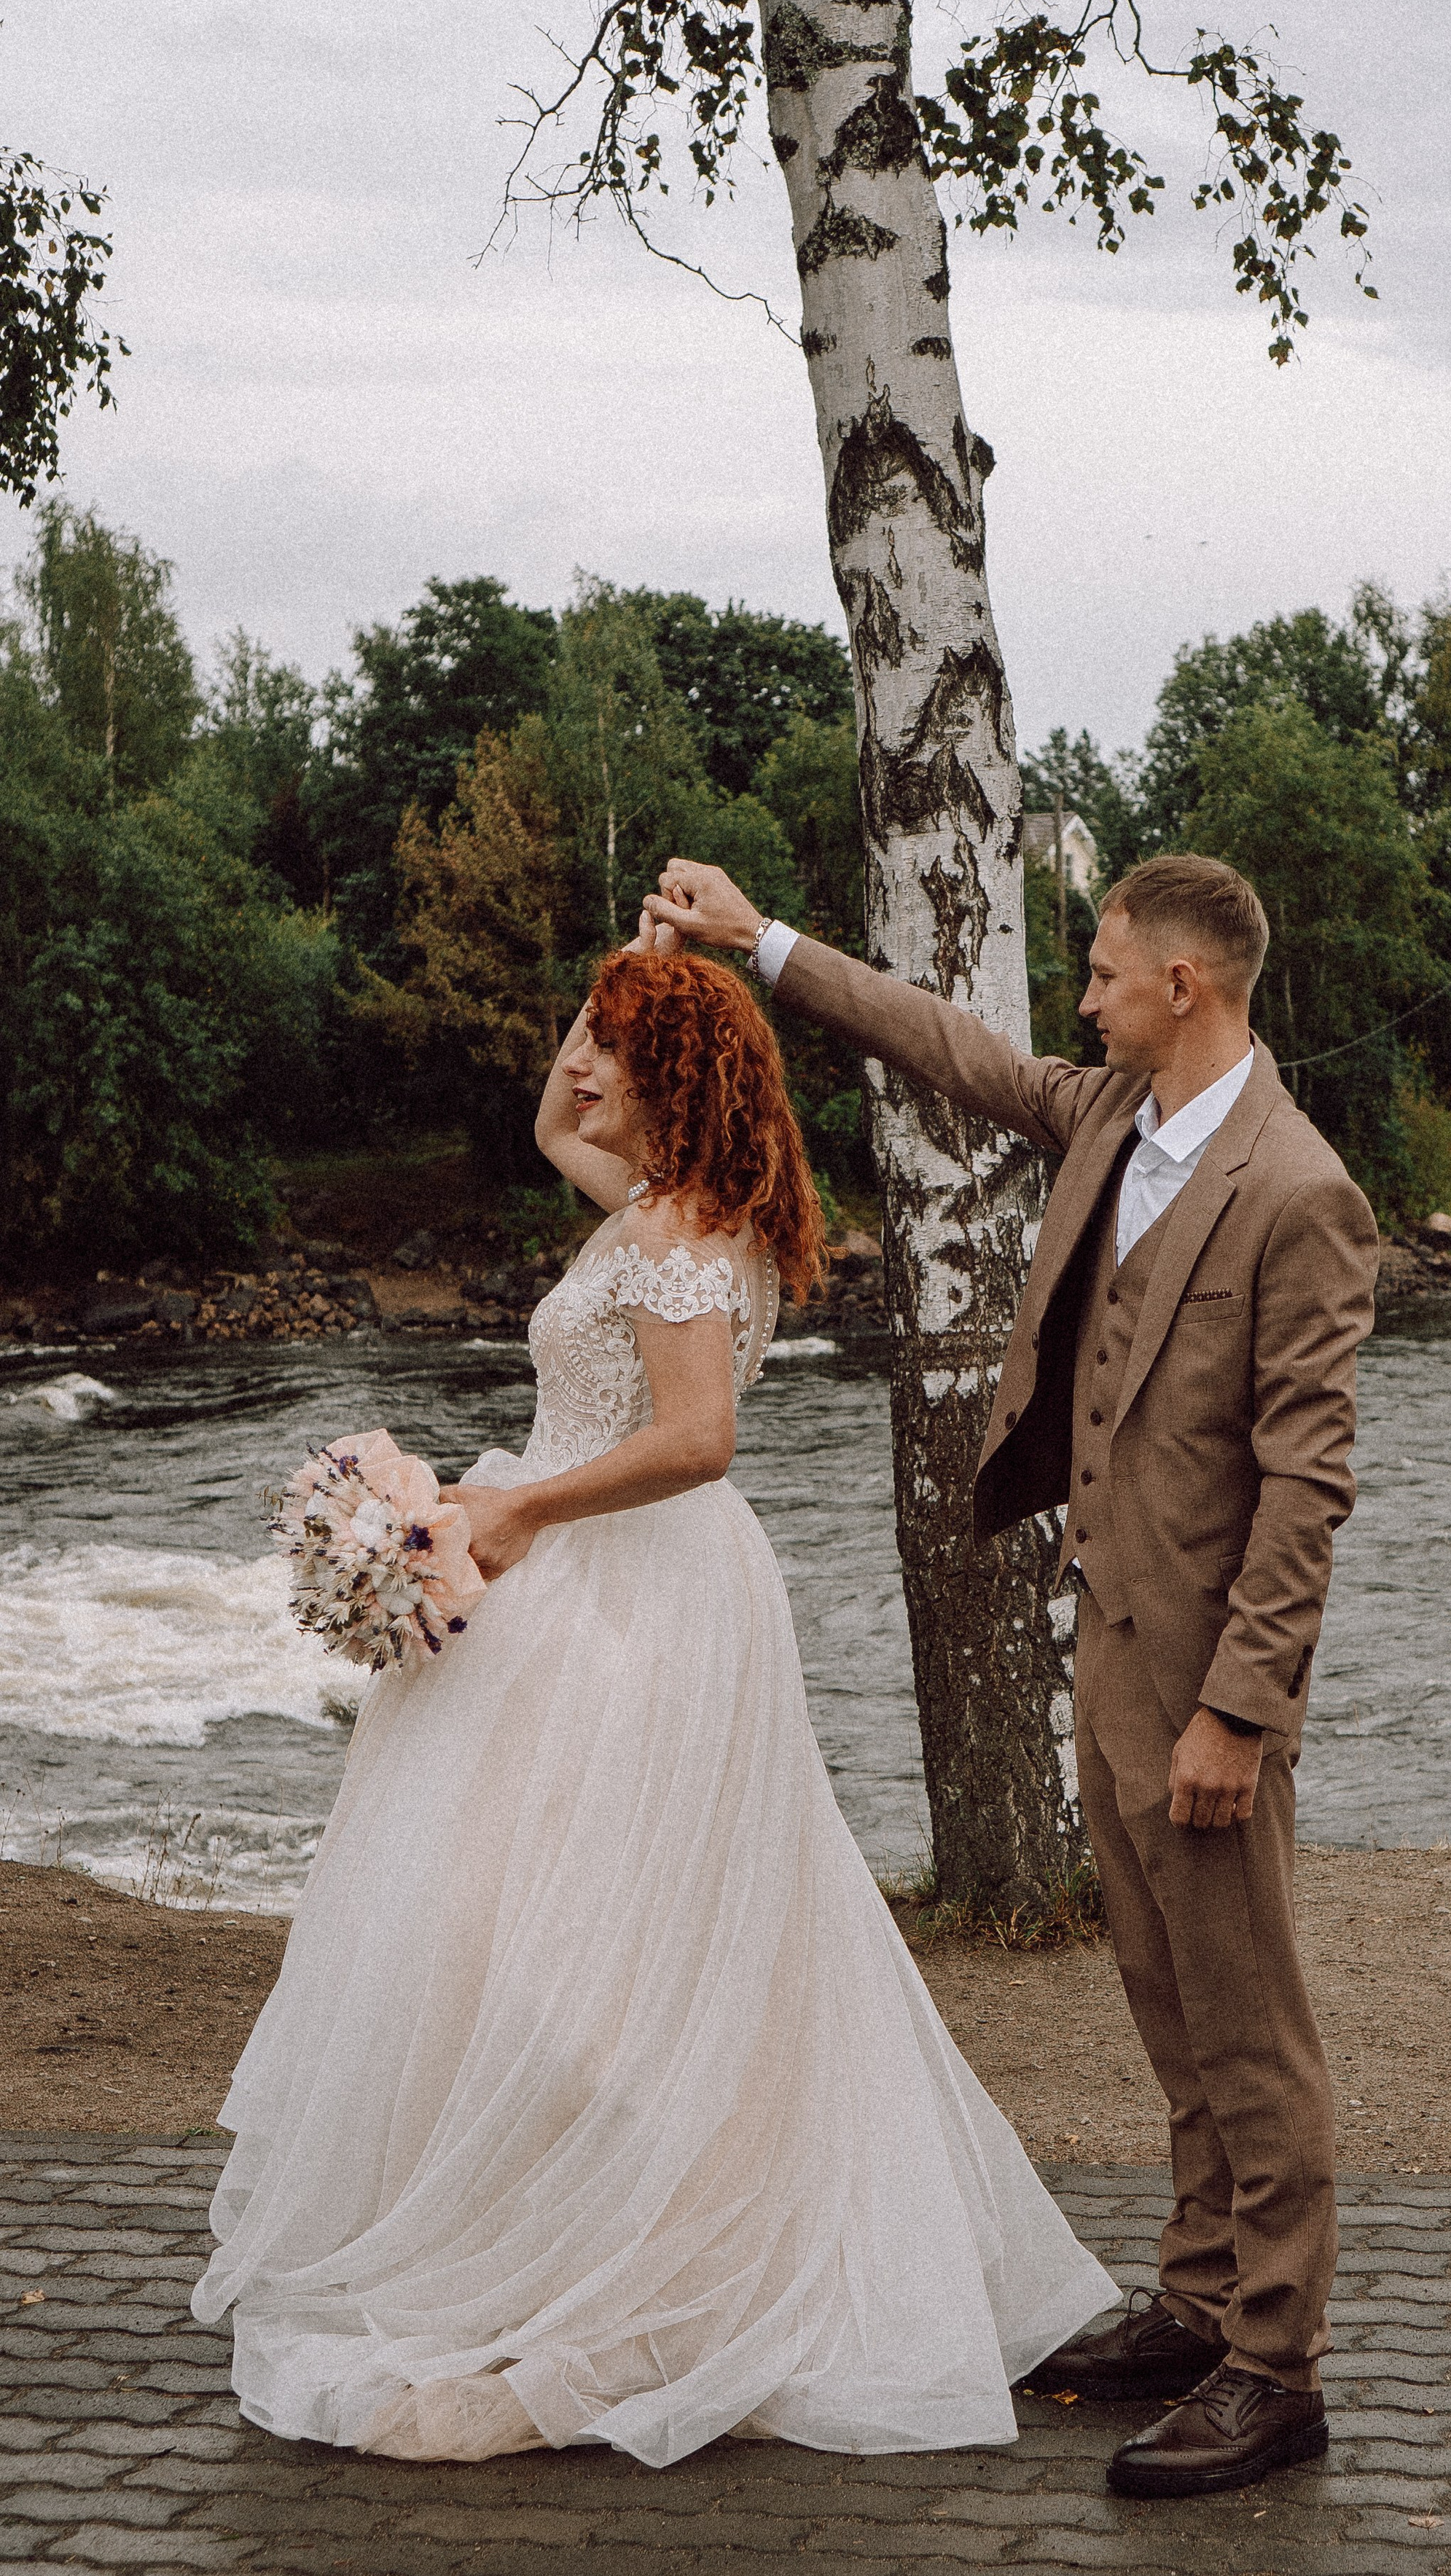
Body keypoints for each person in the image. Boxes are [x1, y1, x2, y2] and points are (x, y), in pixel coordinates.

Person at [193, 936, 1116, 2466]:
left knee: (589, 1931)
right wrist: (626, 974)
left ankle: (643, 2253)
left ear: (671, 1078)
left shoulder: (683, 1234)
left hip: (631, 1595)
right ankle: (553, 2209)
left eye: (609, 1044)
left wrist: (518, 1511)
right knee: (516, 1919)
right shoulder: (642, 1203)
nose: (575, 1065)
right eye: (577, 1033)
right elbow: (552, 1132)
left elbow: (698, 1440)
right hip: (561, 1575)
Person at [654, 850, 1379, 2500]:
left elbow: (1304, 1489)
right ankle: (1197, 2304)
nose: (1082, 994)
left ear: (1183, 986)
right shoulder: (1108, 1117)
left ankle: (1276, 2367)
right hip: (1106, 1638)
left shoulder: (1296, 1191)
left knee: (1249, 2022)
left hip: (1204, 1680)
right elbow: (947, 1048)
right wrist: (758, 938)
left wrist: (1236, 1713)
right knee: (1162, 1993)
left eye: (1106, 970)